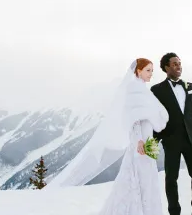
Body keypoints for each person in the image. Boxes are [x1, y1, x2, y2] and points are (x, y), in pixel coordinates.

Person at [46, 58, 169, 215]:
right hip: (140, 143)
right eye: (148, 70)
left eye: (152, 70)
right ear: (138, 71)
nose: (151, 74)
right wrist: (138, 140)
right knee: (137, 180)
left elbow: (152, 117)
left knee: (148, 181)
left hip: (147, 140)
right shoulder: (133, 89)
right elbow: (132, 119)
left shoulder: (144, 91)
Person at [151, 52, 192, 215]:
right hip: (171, 139)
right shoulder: (156, 90)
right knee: (171, 178)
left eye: (179, 63)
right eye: (174, 64)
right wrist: (153, 139)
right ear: (166, 67)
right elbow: (155, 116)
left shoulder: (190, 87)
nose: (178, 66)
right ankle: (174, 212)